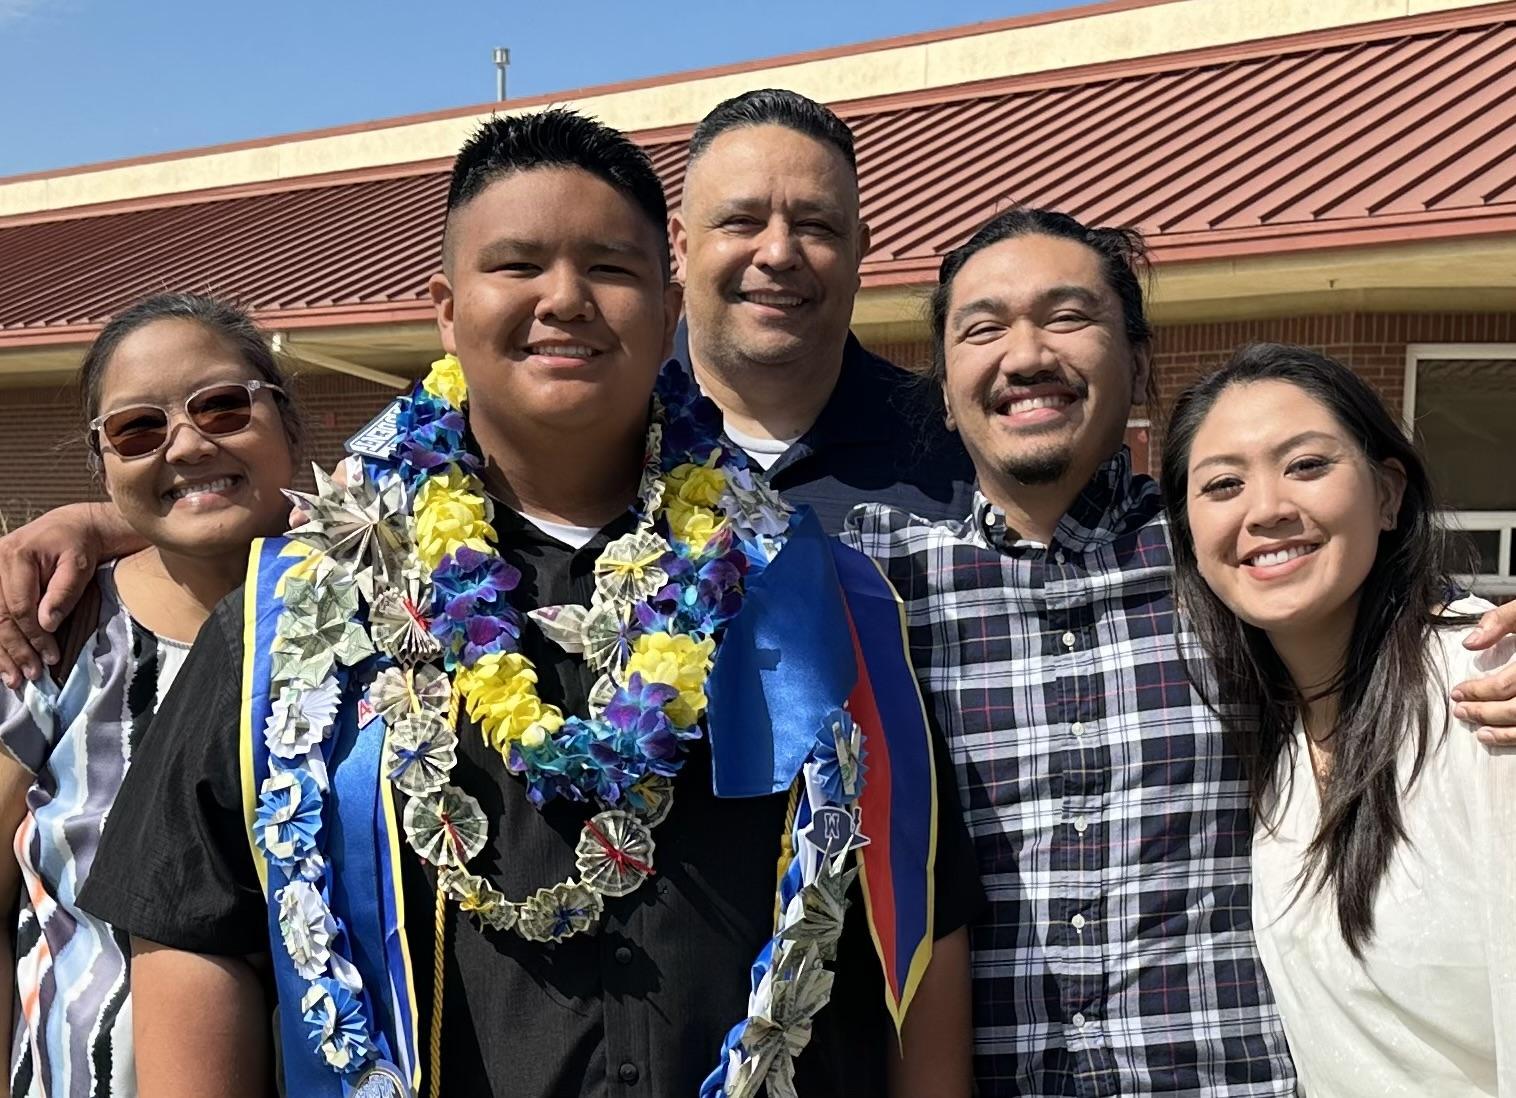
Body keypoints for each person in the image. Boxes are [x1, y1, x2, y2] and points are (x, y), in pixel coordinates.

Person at [76, 109, 978, 1098]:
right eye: (516, 265)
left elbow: (916, 931)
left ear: (668, 302)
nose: (565, 299)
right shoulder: (294, 613)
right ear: (446, 307)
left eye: (609, 267)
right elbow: (194, 938)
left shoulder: (815, 597)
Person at [842, 206, 1516, 1095]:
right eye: (984, 327)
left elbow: (1390, 612)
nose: (1028, 354)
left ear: (1139, 357)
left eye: (1069, 317)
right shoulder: (875, 591)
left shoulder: (1222, 561)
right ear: (944, 382)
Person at [1158, 343, 1515, 1097]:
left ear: (1388, 494)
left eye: (1308, 465)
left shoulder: (1487, 688)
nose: (1266, 509)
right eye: (1223, 483)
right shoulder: (1268, 733)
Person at [0, 294, 301, 1097]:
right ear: (101, 464)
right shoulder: (53, 633)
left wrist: (101, 519)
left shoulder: (395, 602)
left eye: (224, 406)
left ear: (287, 421)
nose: (189, 444)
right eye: (139, 429)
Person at [671, 88, 975, 531]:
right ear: (681, 248)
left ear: (858, 254)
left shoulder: (957, 451)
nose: (777, 253)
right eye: (742, 221)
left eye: (815, 226)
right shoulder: (597, 435)